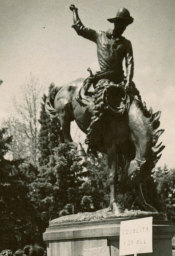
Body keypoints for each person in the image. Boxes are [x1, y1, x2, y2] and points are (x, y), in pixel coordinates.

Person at [70, 5, 136, 151]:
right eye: (122, 24)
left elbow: (130, 63)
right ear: (116, 22)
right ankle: (94, 141)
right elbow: (80, 29)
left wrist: (129, 82)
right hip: (104, 81)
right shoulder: (100, 36)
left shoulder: (126, 43)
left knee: (136, 104)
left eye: (126, 25)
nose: (124, 28)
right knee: (100, 106)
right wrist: (75, 12)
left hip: (121, 81)